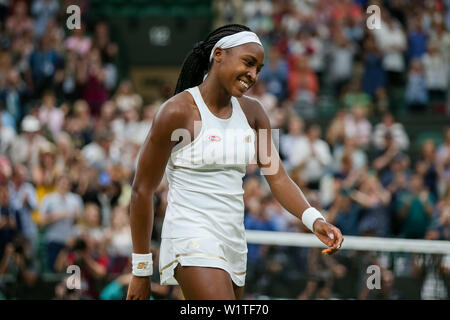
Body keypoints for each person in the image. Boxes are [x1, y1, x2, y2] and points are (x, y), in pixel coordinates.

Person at [126, 24, 343, 300]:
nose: (253, 75)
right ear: (218, 55)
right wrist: (141, 269)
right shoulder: (175, 111)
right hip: (190, 236)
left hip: (234, 242)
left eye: (259, 69)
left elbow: (277, 177)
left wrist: (315, 220)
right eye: (248, 63)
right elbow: (141, 190)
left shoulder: (255, 113)